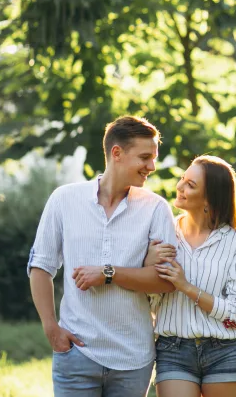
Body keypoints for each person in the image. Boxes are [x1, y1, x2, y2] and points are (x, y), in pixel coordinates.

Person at [28, 115, 178, 397]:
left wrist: (108, 273)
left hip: (134, 359)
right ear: (117, 153)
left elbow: (167, 281)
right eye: (145, 157)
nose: (152, 167)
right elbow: (41, 267)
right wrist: (51, 327)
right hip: (76, 353)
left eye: (153, 158)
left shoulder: (156, 209)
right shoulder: (64, 200)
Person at [144, 155, 236, 397]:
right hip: (173, 349)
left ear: (209, 199)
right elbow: (148, 299)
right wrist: (148, 263)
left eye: (190, 185)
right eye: (183, 179)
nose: (179, 187)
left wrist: (186, 286)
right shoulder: (163, 234)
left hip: (224, 350)